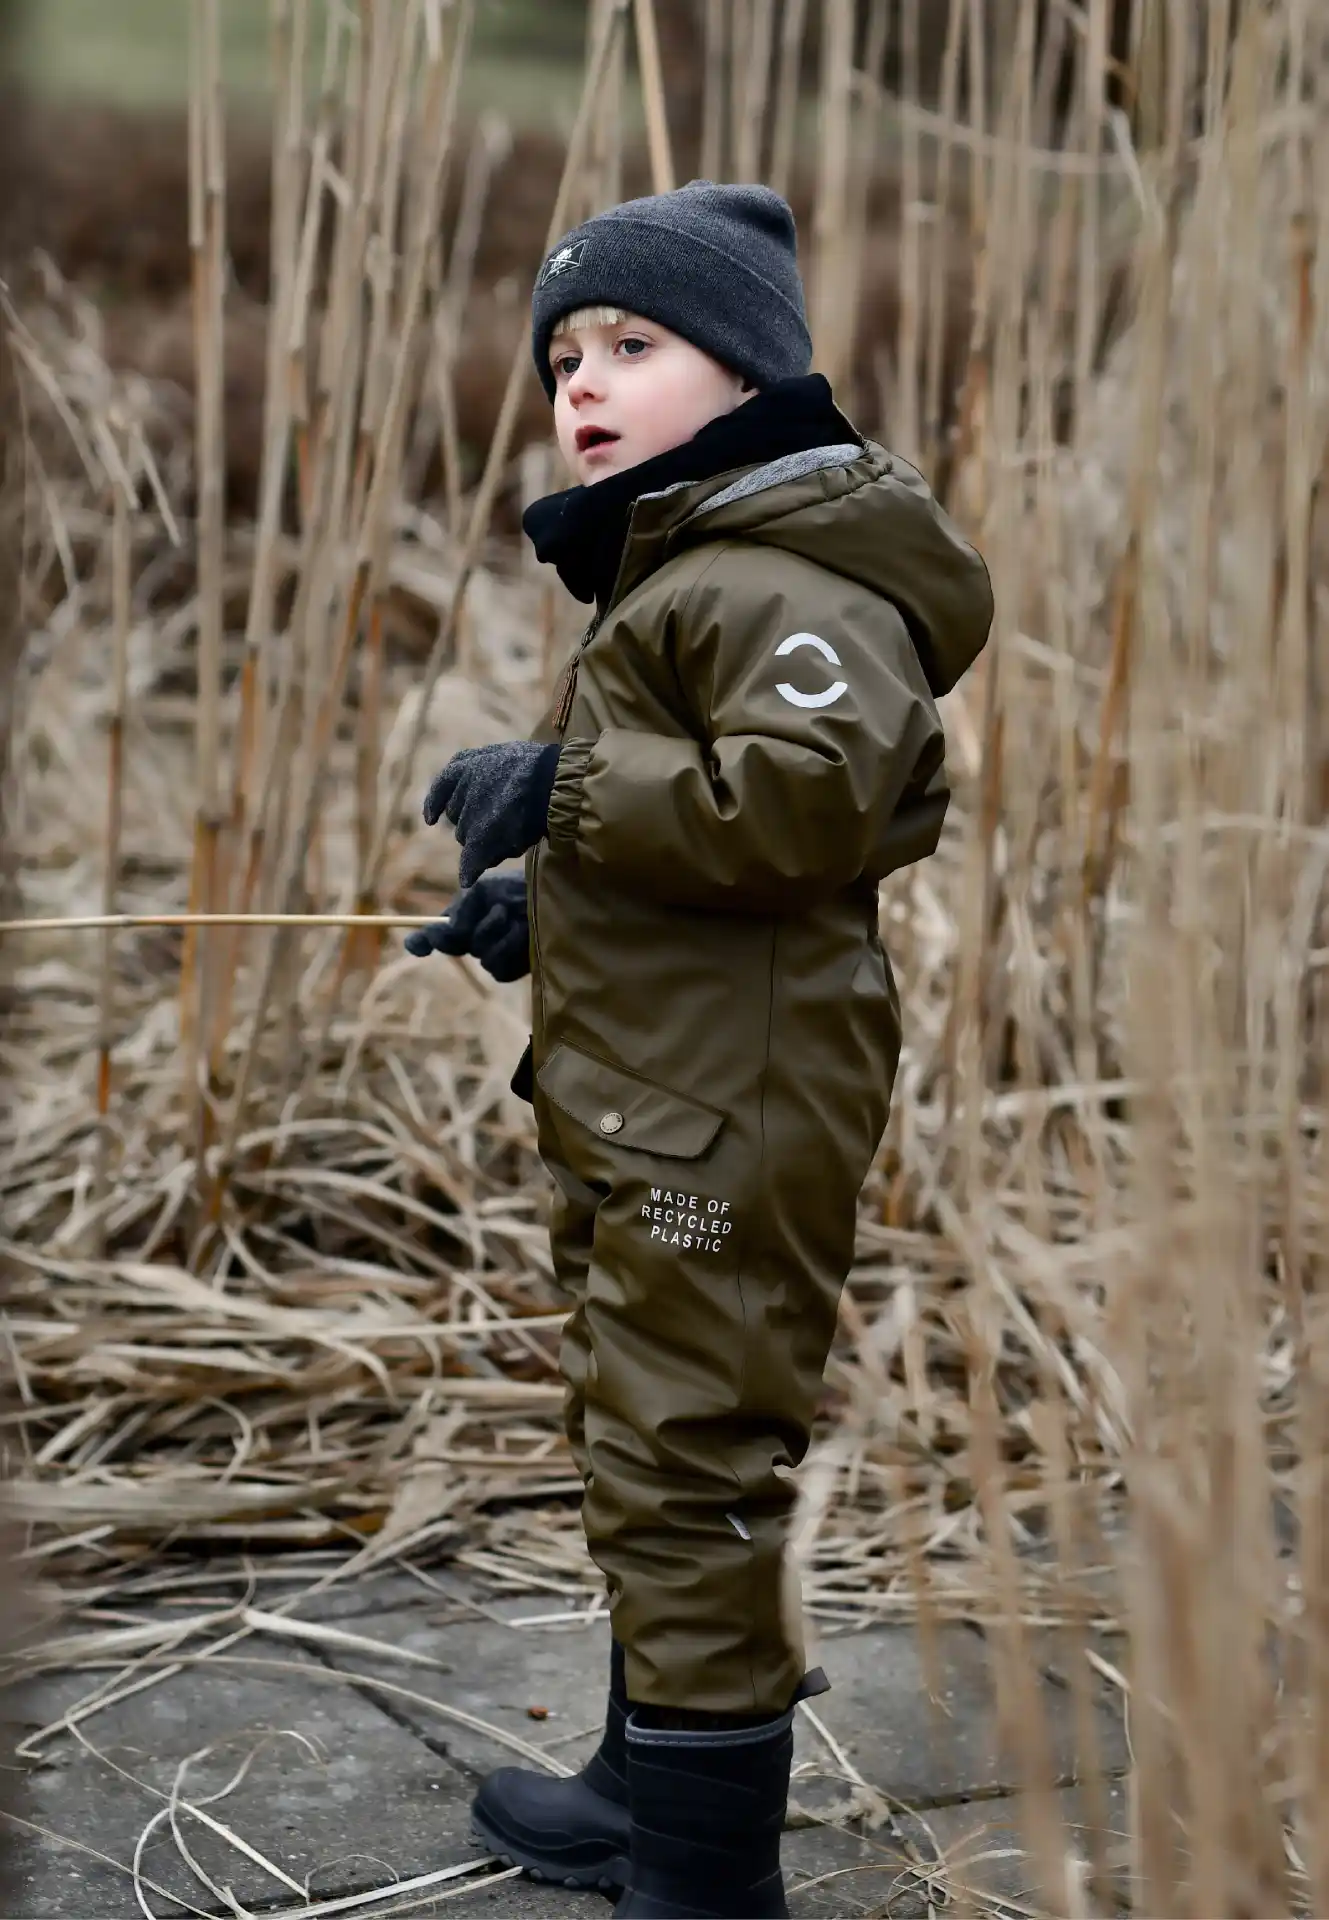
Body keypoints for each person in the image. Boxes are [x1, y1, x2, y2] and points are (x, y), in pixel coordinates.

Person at [407, 179, 993, 1918]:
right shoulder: (691, 567)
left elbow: (803, 807)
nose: (581, 384)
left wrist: (565, 784)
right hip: (660, 1102)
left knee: (691, 1466)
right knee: (645, 1437)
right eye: (563, 355)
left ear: (749, 373)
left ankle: (712, 1872)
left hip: (728, 1123)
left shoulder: (783, 582)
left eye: (634, 345)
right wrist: (546, 913)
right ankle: (644, 1787)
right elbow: (706, 866)